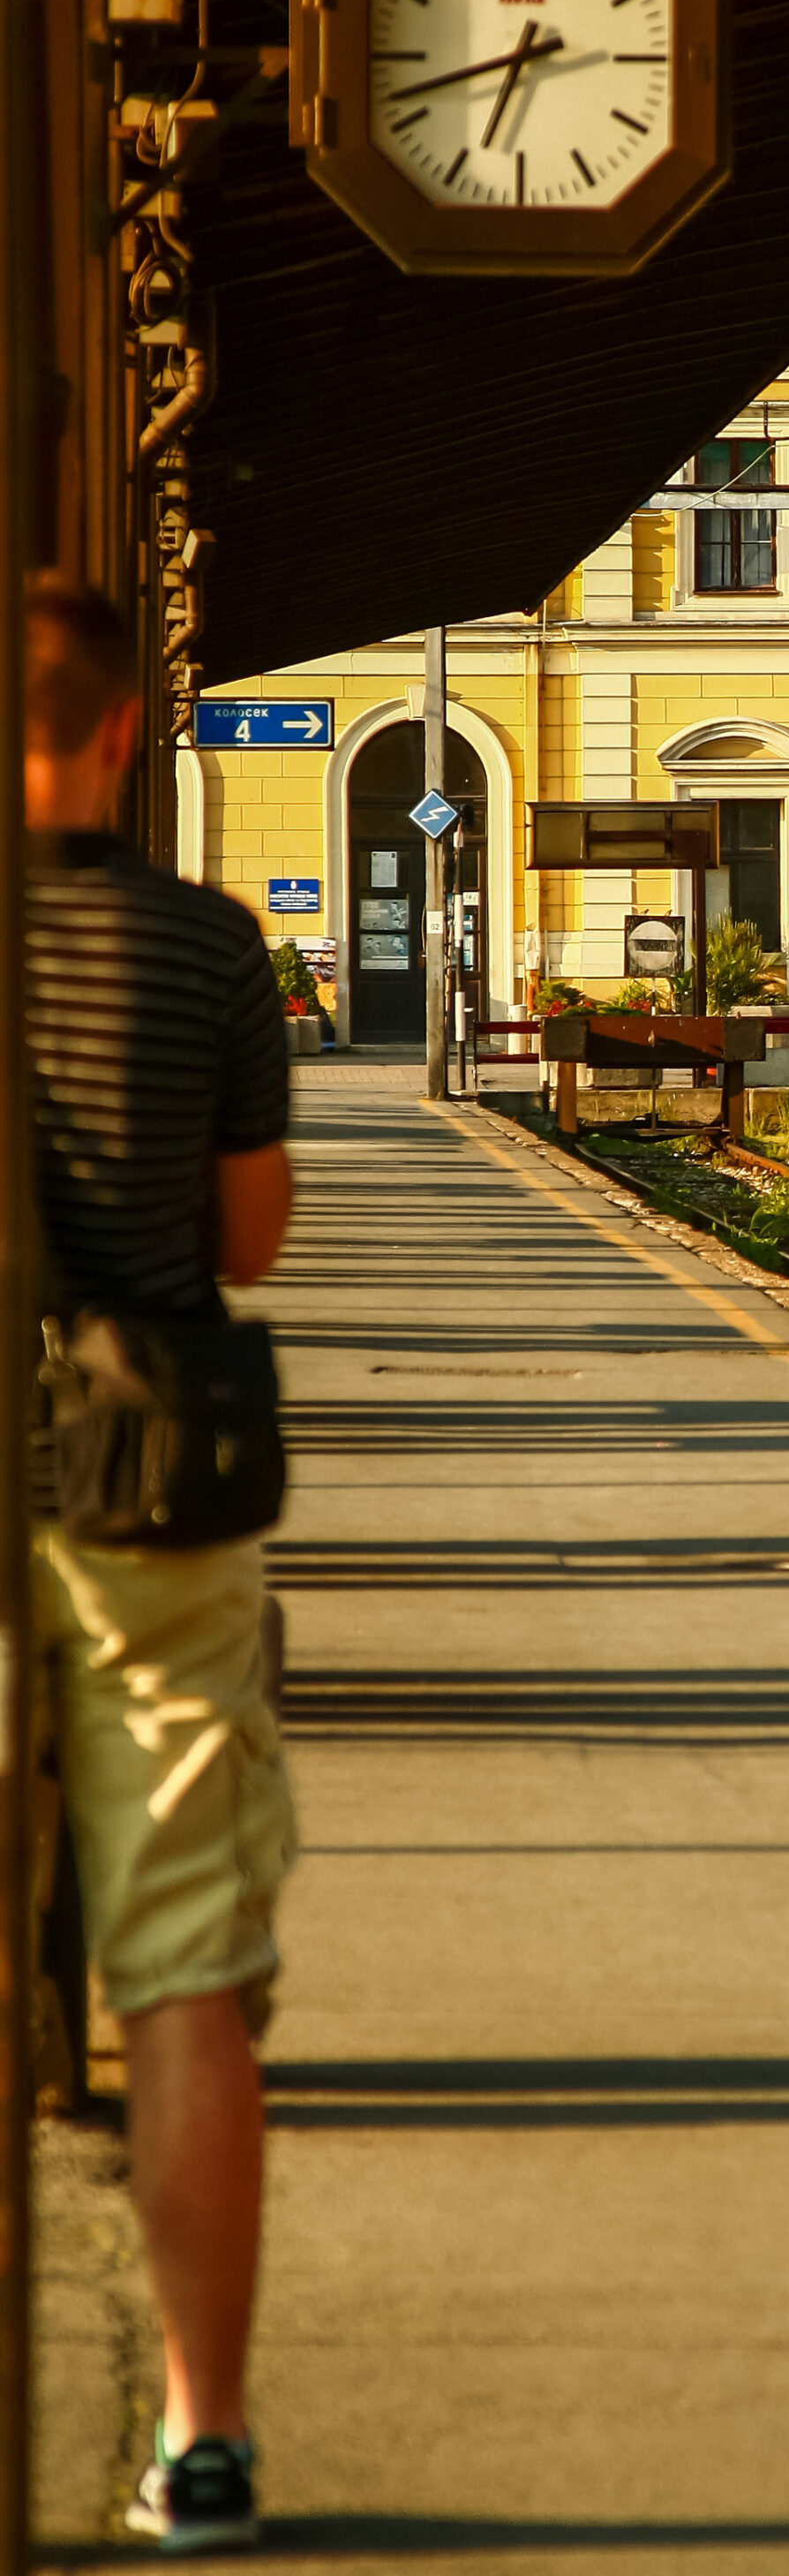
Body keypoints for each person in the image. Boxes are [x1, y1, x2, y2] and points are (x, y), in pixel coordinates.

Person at [24, 579, 295, 2551]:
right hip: (140, 1492)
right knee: (186, 1969)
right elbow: (254, 1239)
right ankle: (199, 2439)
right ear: (130, 730)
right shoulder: (206, 947)